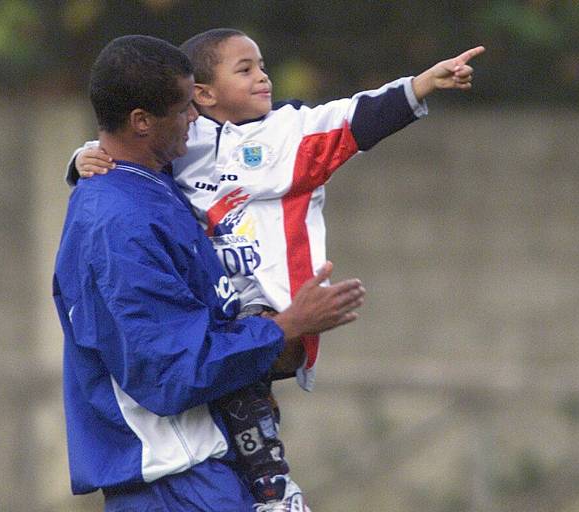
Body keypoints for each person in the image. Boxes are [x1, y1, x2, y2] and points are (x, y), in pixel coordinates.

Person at [68, 28, 483, 510]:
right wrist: (81, 161)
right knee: (240, 397)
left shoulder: (287, 134)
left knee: (248, 396)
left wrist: (421, 85)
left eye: (261, 66)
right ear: (198, 96)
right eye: (244, 70)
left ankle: (270, 481)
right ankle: (271, 486)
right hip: (197, 393)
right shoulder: (158, 168)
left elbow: (356, 118)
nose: (262, 77)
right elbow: (111, 149)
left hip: (265, 311)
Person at [53, 34, 365, 512]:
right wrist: (284, 327)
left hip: (208, 471)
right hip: (173, 484)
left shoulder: (156, 185)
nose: (195, 118)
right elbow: (172, 371)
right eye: (182, 108)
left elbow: (203, 322)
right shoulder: (119, 224)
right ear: (141, 122)